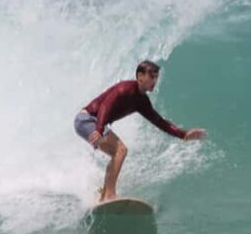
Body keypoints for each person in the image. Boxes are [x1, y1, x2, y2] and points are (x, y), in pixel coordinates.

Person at [74, 60, 206, 202]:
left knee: (116, 153)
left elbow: (159, 122)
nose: (154, 81)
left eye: (156, 77)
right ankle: (109, 195)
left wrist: (184, 134)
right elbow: (106, 105)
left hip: (92, 122)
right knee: (121, 150)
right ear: (140, 77)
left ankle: (104, 195)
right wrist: (99, 130)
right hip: (87, 119)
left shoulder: (142, 101)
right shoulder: (124, 89)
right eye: (151, 77)